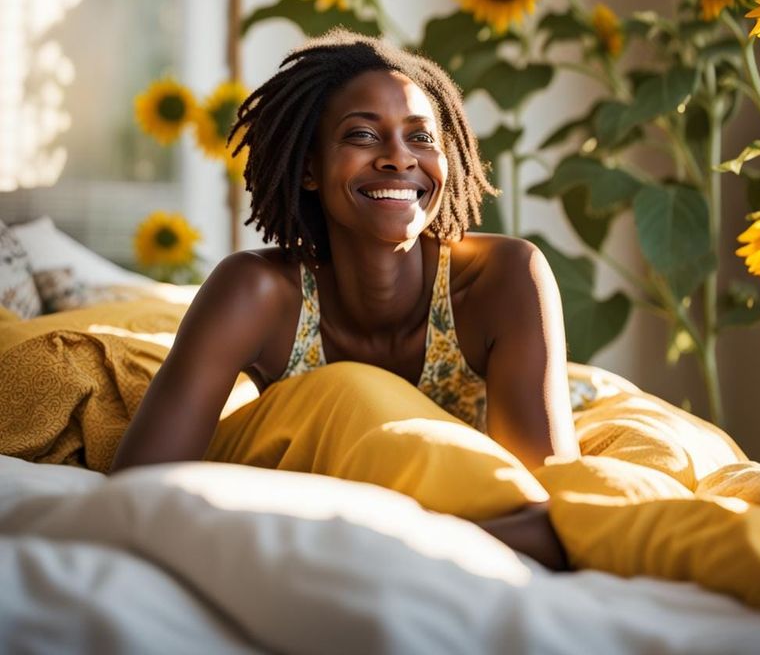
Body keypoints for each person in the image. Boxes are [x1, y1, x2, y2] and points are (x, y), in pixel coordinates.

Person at [113, 32, 572, 569]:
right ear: (308, 168)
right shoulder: (257, 293)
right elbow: (135, 492)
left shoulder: (503, 282)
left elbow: (552, 513)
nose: (399, 159)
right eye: (362, 135)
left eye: (421, 138)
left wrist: (384, 544)